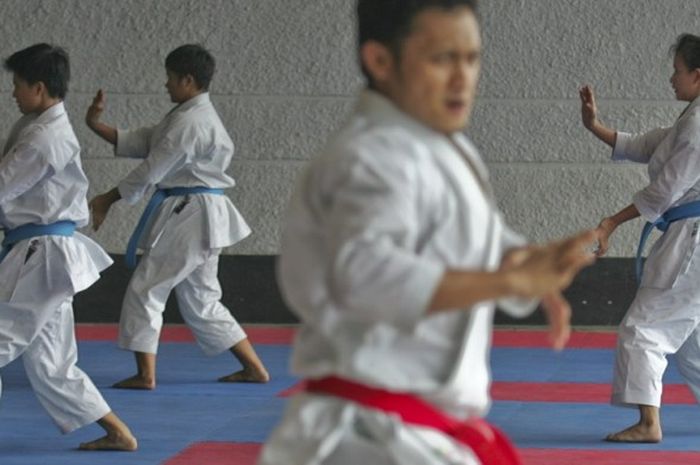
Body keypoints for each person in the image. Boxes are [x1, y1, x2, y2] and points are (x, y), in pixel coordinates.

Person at [257, 1, 596, 464]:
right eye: (442, 59)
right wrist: (510, 282)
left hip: (412, 434)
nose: (463, 78)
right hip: (365, 437)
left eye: (472, 58)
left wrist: (531, 264)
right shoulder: (373, 157)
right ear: (380, 61)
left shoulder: (441, 149)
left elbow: (477, 243)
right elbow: (364, 274)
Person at [87, 44, 269, 390]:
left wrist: (108, 199)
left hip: (192, 213)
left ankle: (145, 374)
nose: (165, 85)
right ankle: (254, 368)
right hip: (199, 213)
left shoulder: (191, 122)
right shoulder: (187, 116)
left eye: (170, 79)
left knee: (147, 287)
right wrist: (95, 124)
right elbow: (147, 142)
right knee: (201, 298)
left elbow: (153, 167)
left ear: (188, 79)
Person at [0, 43, 137, 451]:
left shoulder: (45, 139)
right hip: (40, 253)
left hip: (41, 257)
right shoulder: (36, 127)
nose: (13, 93)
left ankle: (116, 431)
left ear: (39, 88)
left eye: (18, 86)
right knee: (52, 364)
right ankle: (118, 432)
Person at [580, 33, 700, 444]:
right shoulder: (690, 120)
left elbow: (663, 191)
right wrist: (595, 126)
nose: (672, 78)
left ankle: (649, 423)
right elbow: (648, 144)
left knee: (642, 330)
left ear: (697, 75)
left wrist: (611, 221)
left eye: (677, 71)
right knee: (690, 343)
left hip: (692, 241)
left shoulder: (698, 126)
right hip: (689, 239)